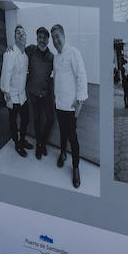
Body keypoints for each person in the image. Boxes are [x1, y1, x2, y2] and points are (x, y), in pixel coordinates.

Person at [51, 24, 88, 190]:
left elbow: (81, 76)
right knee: (62, 132)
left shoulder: (74, 52)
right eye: (53, 38)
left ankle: (76, 167)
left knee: (73, 137)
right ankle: (63, 153)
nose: (55, 40)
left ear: (64, 35)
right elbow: (56, 77)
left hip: (72, 105)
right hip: (59, 103)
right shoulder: (55, 57)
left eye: (57, 36)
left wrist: (80, 102)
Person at [1, 26, 32, 157]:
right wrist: (6, 94)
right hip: (12, 95)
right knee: (13, 122)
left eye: (23, 33)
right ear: (15, 37)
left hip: (22, 95)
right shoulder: (10, 53)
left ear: (26, 37)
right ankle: (17, 144)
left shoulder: (25, 55)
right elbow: (5, 75)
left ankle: (22, 139)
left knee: (25, 119)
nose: (21, 35)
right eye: (18, 33)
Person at [25, 28, 55, 160]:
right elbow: (19, 52)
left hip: (46, 93)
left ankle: (43, 142)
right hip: (32, 92)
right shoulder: (31, 50)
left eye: (44, 38)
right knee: (37, 120)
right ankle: (39, 145)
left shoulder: (52, 57)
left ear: (48, 40)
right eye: (39, 37)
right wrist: (10, 48)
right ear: (37, 39)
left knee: (50, 119)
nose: (42, 40)